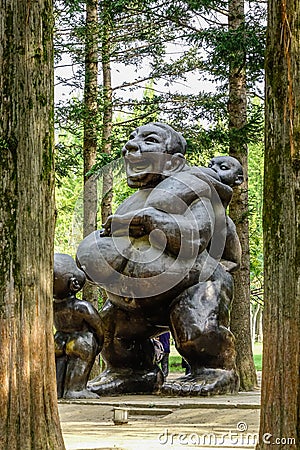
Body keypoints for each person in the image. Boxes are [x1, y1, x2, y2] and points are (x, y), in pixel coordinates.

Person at [76, 122, 241, 396]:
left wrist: (152, 221)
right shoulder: (134, 199)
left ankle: (216, 370)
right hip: (132, 299)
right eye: (131, 139)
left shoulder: (196, 192)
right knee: (110, 330)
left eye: (149, 140)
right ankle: (133, 372)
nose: (131, 145)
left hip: (191, 287)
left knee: (196, 327)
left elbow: (195, 237)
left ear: (175, 162)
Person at [53, 253, 103, 399]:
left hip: (58, 340)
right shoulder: (81, 307)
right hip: (80, 341)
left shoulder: (53, 306)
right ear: (73, 284)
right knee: (79, 361)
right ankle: (75, 390)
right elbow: (98, 327)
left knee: (59, 364)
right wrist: (98, 343)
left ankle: (58, 390)